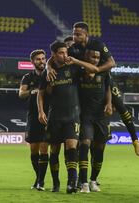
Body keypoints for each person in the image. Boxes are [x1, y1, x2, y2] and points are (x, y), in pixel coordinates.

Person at [47, 22, 139, 156]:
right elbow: (55, 57)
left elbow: (112, 63)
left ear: (86, 34)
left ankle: (135, 140)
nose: (74, 36)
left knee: (121, 106)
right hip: (84, 81)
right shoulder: (74, 48)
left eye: (78, 34)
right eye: (74, 34)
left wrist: (97, 70)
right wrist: (49, 68)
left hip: (104, 78)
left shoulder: (98, 44)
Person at [37, 41, 99, 194]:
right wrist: (40, 112)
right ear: (53, 54)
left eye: (66, 52)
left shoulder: (74, 68)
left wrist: (77, 61)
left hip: (72, 116)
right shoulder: (48, 72)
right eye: (61, 53)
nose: (65, 55)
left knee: (71, 148)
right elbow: (41, 93)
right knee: (55, 150)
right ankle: (56, 183)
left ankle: (72, 182)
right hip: (55, 116)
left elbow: (94, 69)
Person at [78, 46, 112, 193]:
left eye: (98, 58)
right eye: (93, 57)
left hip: (100, 116)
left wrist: (109, 103)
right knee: (84, 145)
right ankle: (83, 182)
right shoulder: (78, 72)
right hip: (85, 116)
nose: (96, 60)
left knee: (99, 149)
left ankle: (93, 180)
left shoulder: (104, 73)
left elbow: (108, 88)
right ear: (86, 57)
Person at [19, 49, 49, 191]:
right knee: (33, 150)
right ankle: (38, 177)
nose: (41, 61)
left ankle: (40, 182)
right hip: (32, 116)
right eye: (38, 59)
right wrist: (32, 91)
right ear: (32, 62)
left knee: (44, 149)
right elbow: (21, 94)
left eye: (43, 59)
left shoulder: (50, 75)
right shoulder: (27, 77)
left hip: (47, 116)